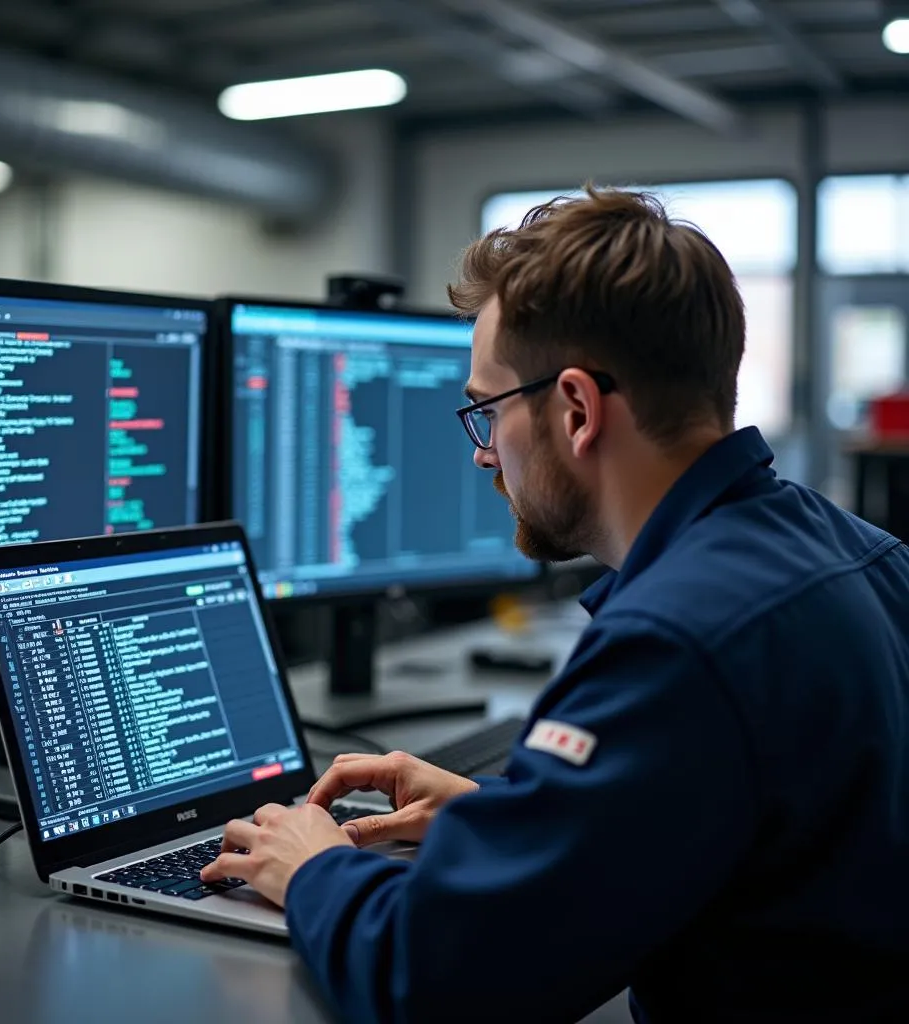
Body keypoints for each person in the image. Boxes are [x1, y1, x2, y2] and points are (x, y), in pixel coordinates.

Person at [202, 187, 909, 1023]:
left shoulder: (676, 640)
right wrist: (512, 823)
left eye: (487, 411)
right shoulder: (862, 553)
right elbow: (740, 828)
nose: (484, 455)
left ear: (575, 409)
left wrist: (313, 866)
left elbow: (436, 982)